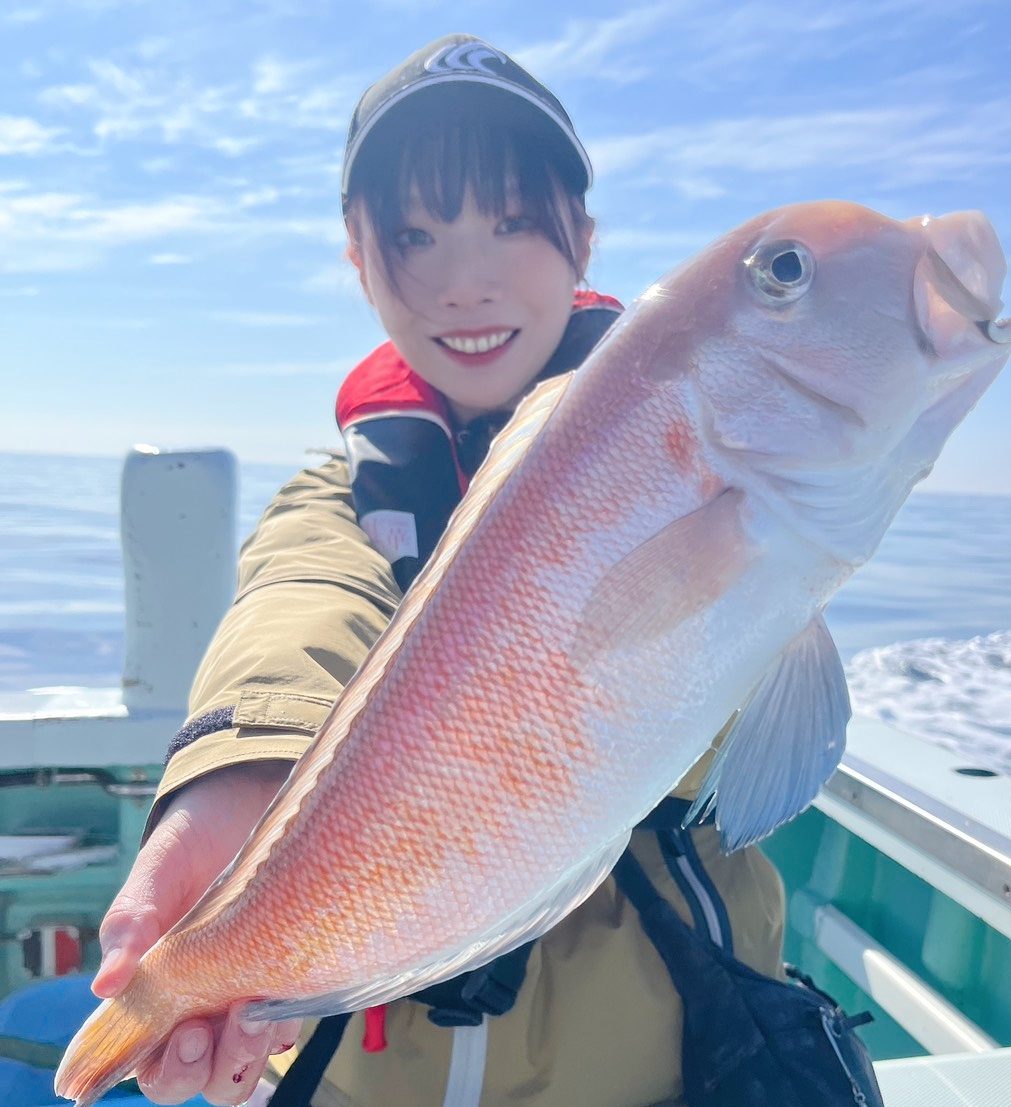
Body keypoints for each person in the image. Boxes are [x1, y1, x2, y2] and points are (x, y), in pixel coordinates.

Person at [90, 35, 786, 1107]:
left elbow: (731, 733)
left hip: (656, 1056)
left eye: (513, 223)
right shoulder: (340, 499)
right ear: (359, 262)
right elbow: (299, 603)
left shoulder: (699, 462)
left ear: (583, 242)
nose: (466, 281)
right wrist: (249, 781)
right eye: (415, 235)